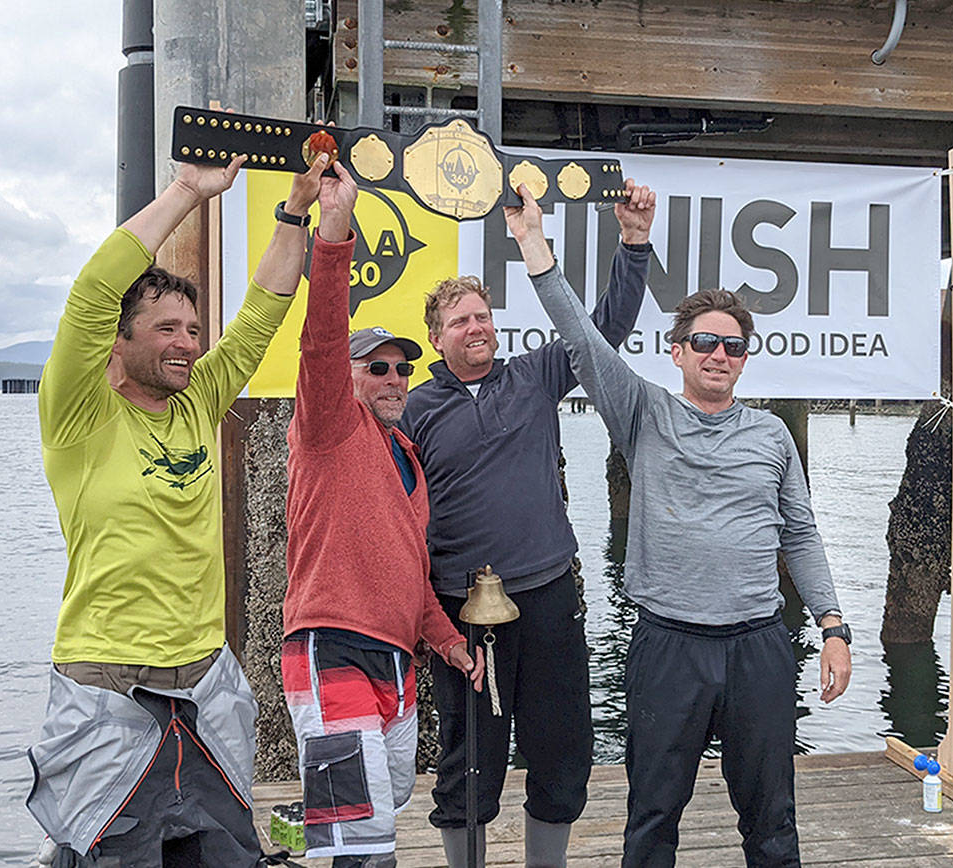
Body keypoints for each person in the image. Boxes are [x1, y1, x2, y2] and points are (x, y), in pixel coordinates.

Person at [503, 186, 852, 868]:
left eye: (733, 345)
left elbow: (801, 536)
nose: (719, 354)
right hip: (669, 646)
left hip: (759, 645)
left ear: (745, 357)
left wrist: (833, 627)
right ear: (677, 352)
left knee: (772, 821)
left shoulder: (772, 435)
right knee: (653, 819)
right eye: (705, 342)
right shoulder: (642, 412)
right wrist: (532, 242)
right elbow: (580, 334)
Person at [27, 152, 319, 867]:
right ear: (118, 340)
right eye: (166, 329)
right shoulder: (79, 415)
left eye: (192, 329)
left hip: (205, 685)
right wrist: (187, 191)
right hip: (109, 687)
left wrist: (295, 210)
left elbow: (262, 314)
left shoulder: (197, 404)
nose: (188, 344)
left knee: (222, 855)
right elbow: (93, 291)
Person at [399, 178, 656, 867]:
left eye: (483, 316)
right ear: (436, 338)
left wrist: (634, 244)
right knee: (469, 757)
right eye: (460, 321)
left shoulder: (535, 376)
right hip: (462, 608)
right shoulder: (415, 409)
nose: (476, 327)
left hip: (547, 596)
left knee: (562, 747)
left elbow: (605, 330)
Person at [280, 157, 484, 868]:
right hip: (333, 648)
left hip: (398, 663)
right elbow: (321, 337)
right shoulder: (328, 426)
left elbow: (409, 574)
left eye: (403, 368)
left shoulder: (407, 458)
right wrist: (333, 230)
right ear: (347, 379)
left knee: (380, 811)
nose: (395, 378)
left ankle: (313, 835)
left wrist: (448, 642)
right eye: (377, 367)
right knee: (362, 844)